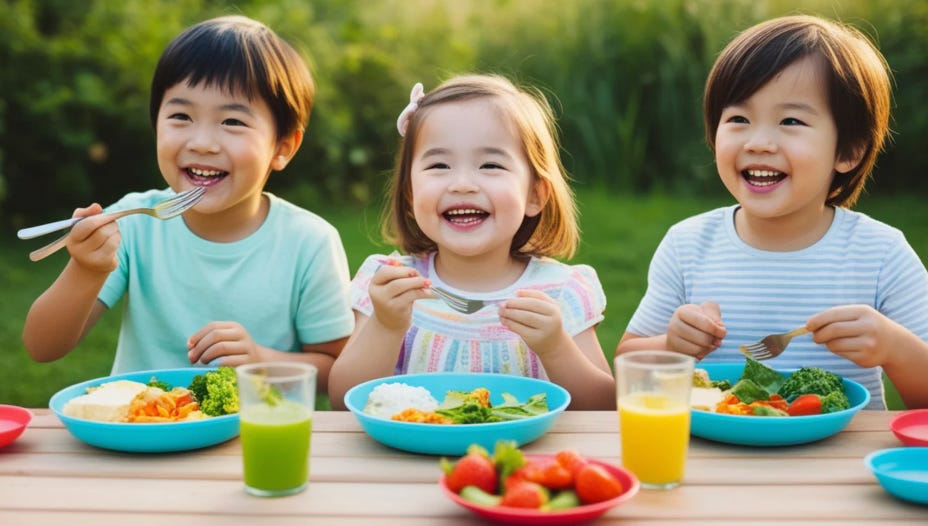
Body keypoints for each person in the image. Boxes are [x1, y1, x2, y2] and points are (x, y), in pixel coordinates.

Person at [22, 15, 354, 392]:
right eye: (181, 116)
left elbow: (336, 371)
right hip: (144, 432)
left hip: (252, 440)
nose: (202, 142)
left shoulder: (308, 242)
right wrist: (86, 269)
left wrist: (262, 361)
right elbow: (42, 347)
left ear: (283, 148)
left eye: (232, 122)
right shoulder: (134, 223)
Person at [616, 15, 928, 409]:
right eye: (739, 119)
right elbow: (627, 365)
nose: (759, 142)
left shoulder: (880, 253)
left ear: (849, 150)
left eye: (791, 120)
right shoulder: (688, 244)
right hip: (714, 458)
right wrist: (671, 345)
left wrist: (894, 348)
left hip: (839, 464)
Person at [328, 75, 615, 410]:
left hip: (525, 459)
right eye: (439, 165)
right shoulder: (388, 284)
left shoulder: (561, 291)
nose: (462, 184)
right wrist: (386, 326)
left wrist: (555, 348)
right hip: (411, 458)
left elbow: (603, 410)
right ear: (410, 193)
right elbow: (343, 403)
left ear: (535, 194)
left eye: (490, 165)